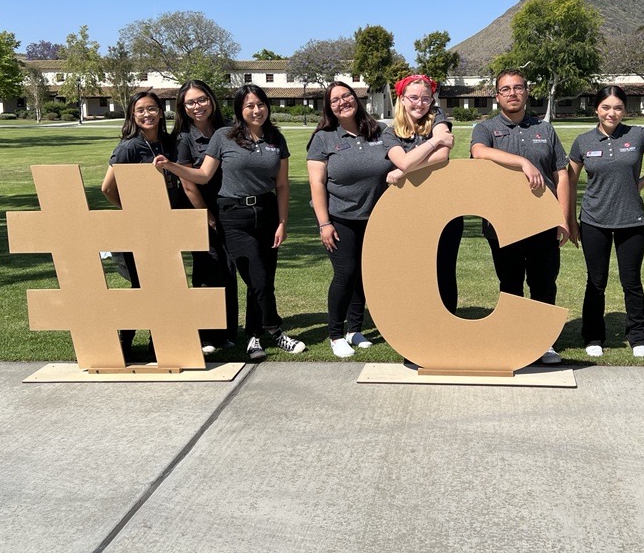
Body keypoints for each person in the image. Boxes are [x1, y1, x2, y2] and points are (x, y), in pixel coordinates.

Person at [154, 84, 306, 360]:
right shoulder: (224, 136)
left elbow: (282, 185)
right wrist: (170, 166)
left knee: (263, 280)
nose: (256, 110)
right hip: (234, 216)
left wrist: (283, 222)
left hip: (267, 212)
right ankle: (274, 329)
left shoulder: (276, 138)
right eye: (249, 105)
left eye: (260, 104)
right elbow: (202, 175)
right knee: (256, 276)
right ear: (239, 109)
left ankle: (253, 337)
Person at [568, 85, 644, 359]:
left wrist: (643, 180)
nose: (611, 113)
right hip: (594, 219)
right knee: (596, 281)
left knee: (632, 281)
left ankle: (638, 335)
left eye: (617, 108)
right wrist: (570, 219)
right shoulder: (583, 142)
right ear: (596, 108)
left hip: (631, 219)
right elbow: (569, 182)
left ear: (624, 110)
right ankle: (593, 335)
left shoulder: (638, 135)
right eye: (606, 107)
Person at [470, 68, 571, 365]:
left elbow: (561, 174)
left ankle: (543, 342)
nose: (512, 93)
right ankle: (512, 340)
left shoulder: (545, 129)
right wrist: (523, 162)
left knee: (543, 283)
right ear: (496, 95)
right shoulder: (486, 129)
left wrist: (563, 217)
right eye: (506, 89)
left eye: (518, 88)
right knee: (510, 284)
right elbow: (478, 153)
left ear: (527, 92)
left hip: (542, 220)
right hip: (503, 222)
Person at [307, 81, 391, 358]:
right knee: (345, 273)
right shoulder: (323, 138)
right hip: (340, 218)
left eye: (347, 96)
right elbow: (317, 183)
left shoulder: (379, 131)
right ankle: (335, 335)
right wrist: (324, 224)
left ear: (356, 99)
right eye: (335, 100)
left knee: (363, 275)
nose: (342, 102)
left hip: (376, 218)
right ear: (329, 108)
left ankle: (355, 329)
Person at [101, 90, 183, 359]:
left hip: (166, 227)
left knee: (165, 284)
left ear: (161, 111)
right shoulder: (129, 147)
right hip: (137, 229)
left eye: (151, 109)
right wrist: (131, 211)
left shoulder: (170, 143)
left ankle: (157, 340)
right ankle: (124, 340)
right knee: (139, 286)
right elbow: (107, 188)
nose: (147, 114)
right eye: (140, 110)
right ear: (132, 116)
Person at [382, 73, 463, 314]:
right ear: (402, 99)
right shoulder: (389, 133)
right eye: (414, 97)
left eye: (426, 98)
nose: (420, 103)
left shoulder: (437, 116)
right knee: (414, 270)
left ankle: (446, 327)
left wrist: (404, 170)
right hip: (410, 210)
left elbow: (443, 156)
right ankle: (417, 329)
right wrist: (433, 142)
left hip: (445, 208)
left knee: (444, 269)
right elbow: (405, 161)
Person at [172, 80, 239, 356]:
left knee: (228, 268)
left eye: (201, 100)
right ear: (183, 108)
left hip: (229, 208)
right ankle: (205, 333)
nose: (197, 106)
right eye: (190, 102)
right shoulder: (183, 138)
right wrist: (206, 215)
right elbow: (188, 183)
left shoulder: (228, 130)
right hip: (199, 209)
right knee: (206, 269)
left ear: (211, 100)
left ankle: (227, 332)